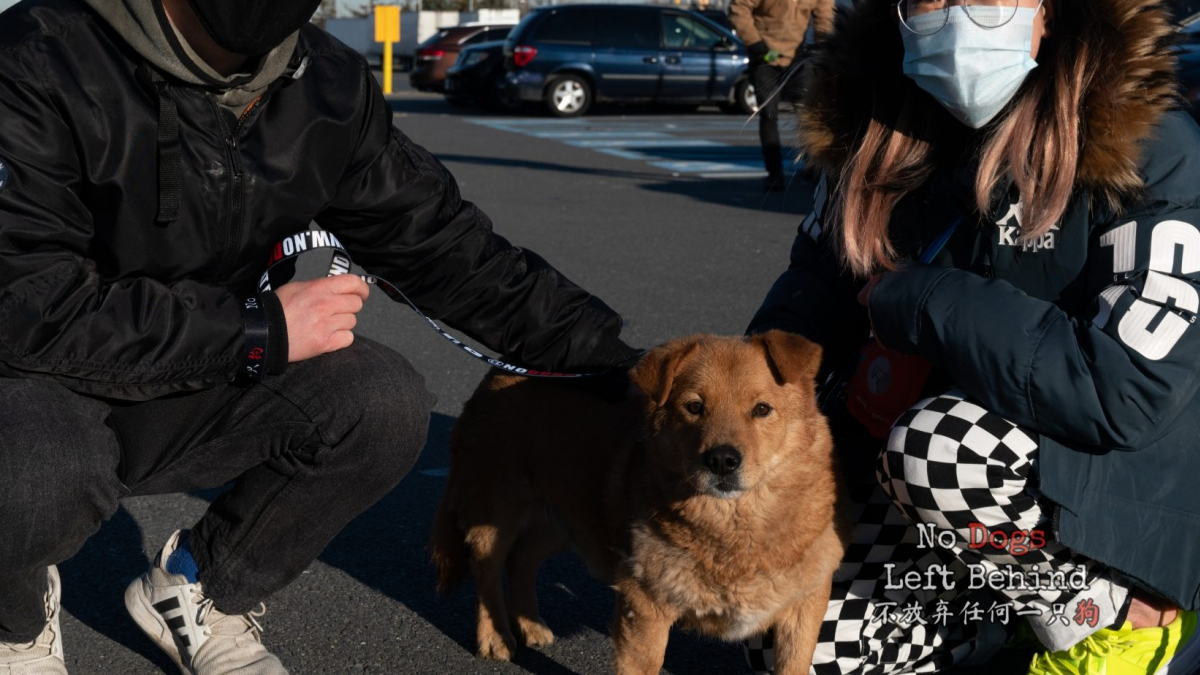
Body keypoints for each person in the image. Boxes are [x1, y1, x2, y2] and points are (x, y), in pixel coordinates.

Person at [0, 0, 638, 673]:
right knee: (31, 469)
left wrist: (626, 371)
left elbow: (452, 251)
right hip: (42, 381)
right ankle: (11, 616)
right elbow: (22, 302)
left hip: (202, 367)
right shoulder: (38, 57)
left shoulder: (324, 85)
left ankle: (198, 587)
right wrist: (256, 329)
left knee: (382, 399)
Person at [742, 0, 1200, 673]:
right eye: (933, 2)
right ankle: (995, 626)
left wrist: (925, 295)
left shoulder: (1149, 142)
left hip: (1113, 496)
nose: (959, 24)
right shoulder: (881, 124)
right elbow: (814, 290)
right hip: (944, 504)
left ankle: (1114, 626)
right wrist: (738, 405)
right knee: (794, 638)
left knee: (942, 447)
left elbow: (1127, 391)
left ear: (1048, 9)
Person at [728, 0, 834, 193]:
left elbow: (824, 17)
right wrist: (754, 42)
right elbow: (738, 8)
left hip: (797, 56)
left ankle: (814, 169)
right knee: (769, 116)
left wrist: (822, 46)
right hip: (764, 56)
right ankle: (774, 174)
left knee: (810, 114)